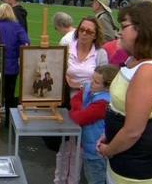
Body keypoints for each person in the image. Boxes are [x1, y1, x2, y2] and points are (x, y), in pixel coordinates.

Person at [97, 1, 152, 184]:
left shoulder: (147, 71)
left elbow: (133, 131)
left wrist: (109, 150)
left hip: (134, 162)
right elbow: (122, 110)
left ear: (142, 30)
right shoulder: (133, 60)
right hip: (123, 155)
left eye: (124, 26)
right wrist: (109, 134)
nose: (119, 32)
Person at [56, 16, 107, 184]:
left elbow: (105, 80)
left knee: (83, 142)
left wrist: (83, 87)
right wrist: (66, 79)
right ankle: (61, 178)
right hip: (65, 98)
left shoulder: (100, 53)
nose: (84, 33)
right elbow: (55, 66)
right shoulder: (66, 46)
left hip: (87, 102)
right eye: (82, 29)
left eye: (89, 31)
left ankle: (77, 179)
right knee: (67, 143)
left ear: (95, 35)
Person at [69, 65, 119, 184]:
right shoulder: (89, 88)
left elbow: (80, 118)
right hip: (90, 147)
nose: (91, 83)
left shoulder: (103, 103)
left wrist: (76, 111)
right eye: (92, 78)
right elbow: (75, 99)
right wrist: (79, 108)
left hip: (96, 152)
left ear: (107, 87)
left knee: (96, 179)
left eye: (96, 82)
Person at [0, 3, 30, 126]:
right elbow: (26, 42)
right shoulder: (17, 27)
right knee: (10, 94)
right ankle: (8, 121)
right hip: (12, 66)